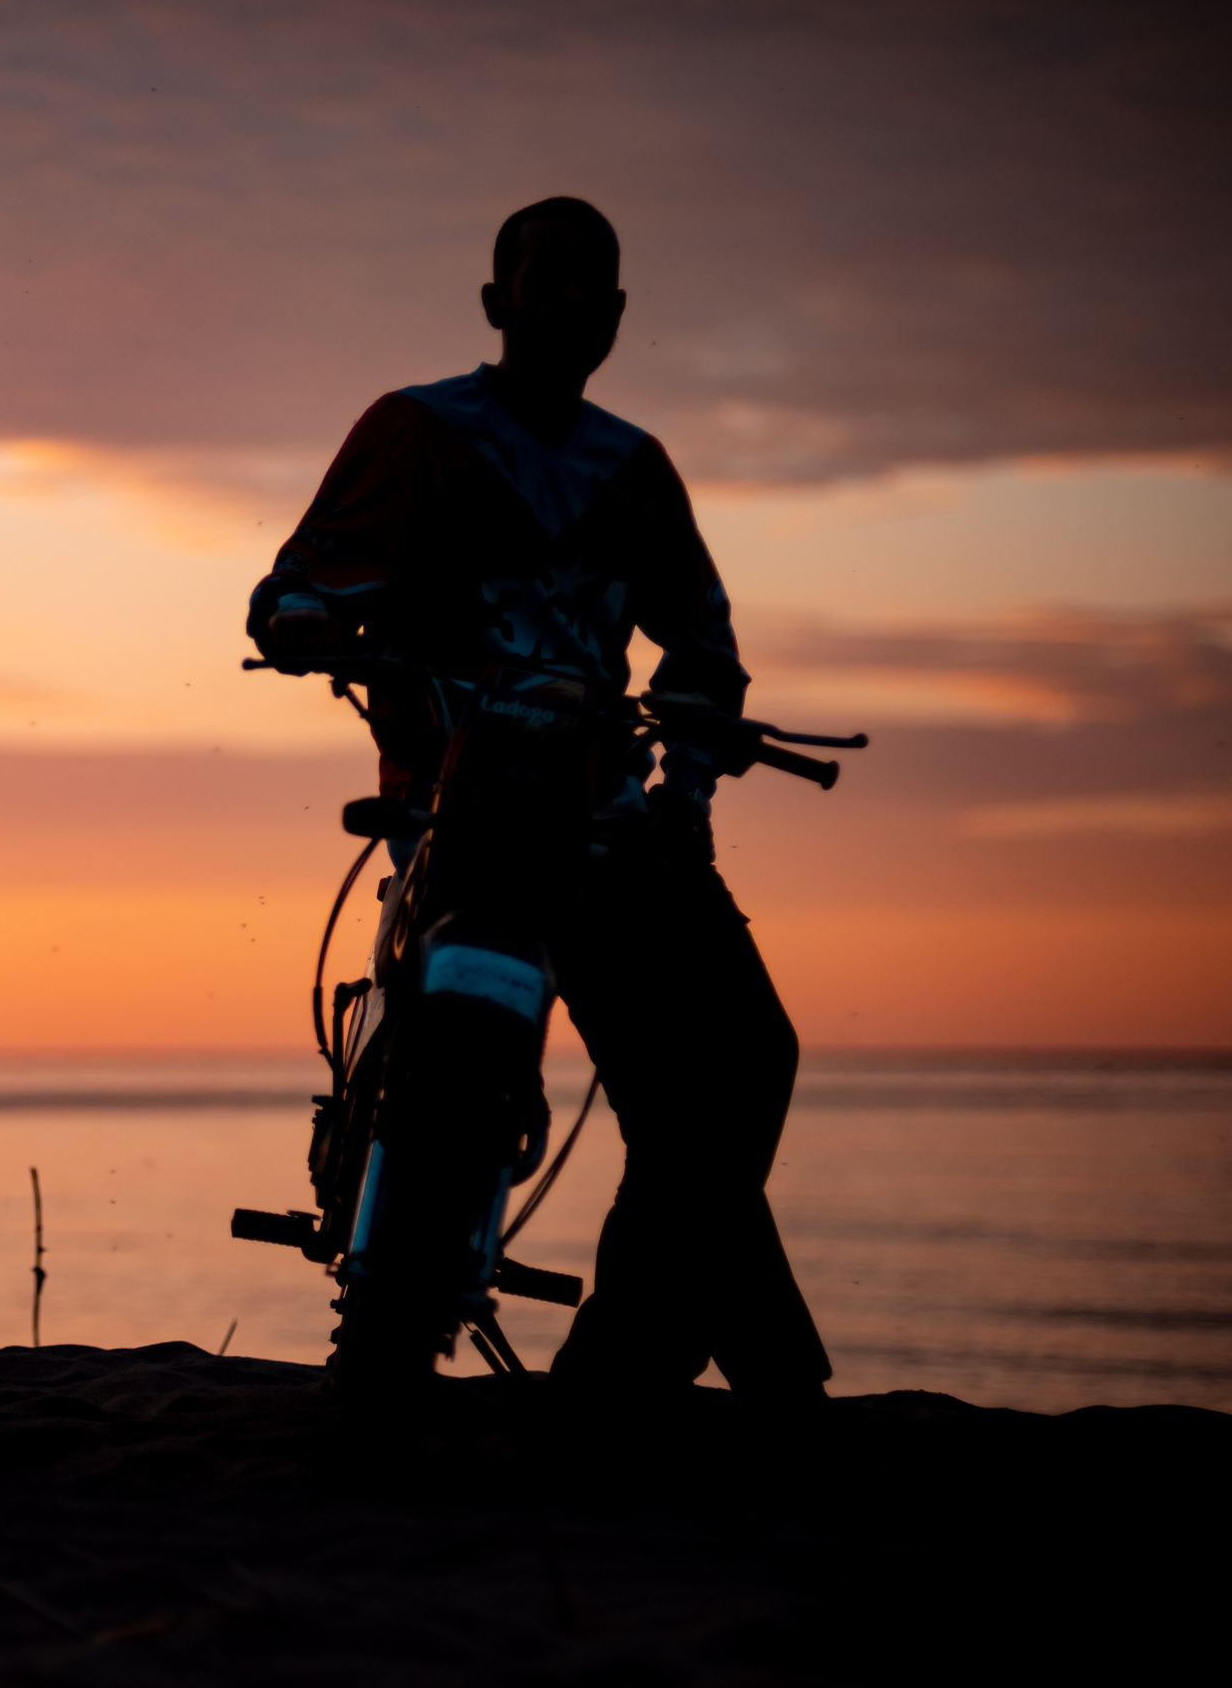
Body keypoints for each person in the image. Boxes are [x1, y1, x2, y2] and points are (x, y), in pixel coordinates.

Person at [249, 196, 832, 1405]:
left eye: (593, 287)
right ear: (495, 302)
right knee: (679, 1094)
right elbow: (295, 580)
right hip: (457, 804)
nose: (570, 302)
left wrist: (692, 763)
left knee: (740, 1061)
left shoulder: (636, 469)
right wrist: (300, 616)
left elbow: (705, 645)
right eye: (547, 279)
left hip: (605, 814)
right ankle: (747, 1375)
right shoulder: (416, 432)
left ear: (617, 317)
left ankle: (631, 1361)